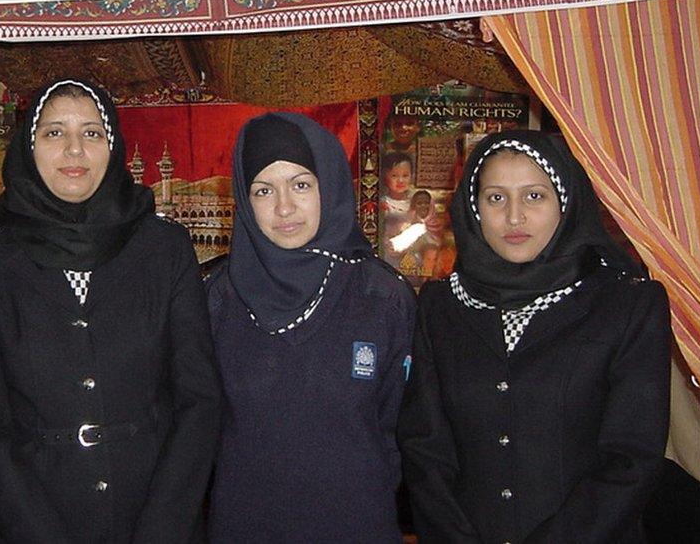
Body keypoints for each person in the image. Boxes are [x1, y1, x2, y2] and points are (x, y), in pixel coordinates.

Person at [0, 78, 221, 543]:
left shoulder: (163, 247)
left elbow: (198, 400)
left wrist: (162, 530)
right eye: (54, 132)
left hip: (155, 516)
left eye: (91, 133)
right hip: (32, 521)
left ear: (112, 146)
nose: (74, 150)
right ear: (28, 147)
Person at [398, 130, 671, 543]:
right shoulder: (441, 307)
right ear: (473, 207)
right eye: (495, 198)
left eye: (534, 196)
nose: (513, 217)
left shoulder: (626, 304)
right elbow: (426, 449)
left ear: (565, 202)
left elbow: (631, 456)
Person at [205, 112, 416, 542]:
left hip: (355, 525)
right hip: (244, 527)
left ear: (330, 184)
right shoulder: (215, 298)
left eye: (301, 185)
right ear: (244, 202)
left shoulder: (381, 298)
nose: (284, 207)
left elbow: (404, 432)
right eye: (263, 190)